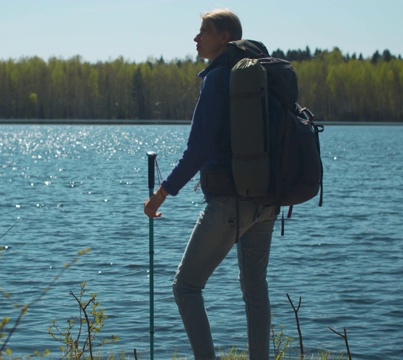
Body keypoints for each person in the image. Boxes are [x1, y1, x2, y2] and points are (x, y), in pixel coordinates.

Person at [143, 8, 278, 360]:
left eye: (203, 31)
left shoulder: (218, 77)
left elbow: (198, 149)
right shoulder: (260, 74)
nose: (195, 37)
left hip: (229, 203)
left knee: (185, 287)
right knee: (255, 289)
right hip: (267, 201)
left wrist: (160, 195)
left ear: (223, 37)